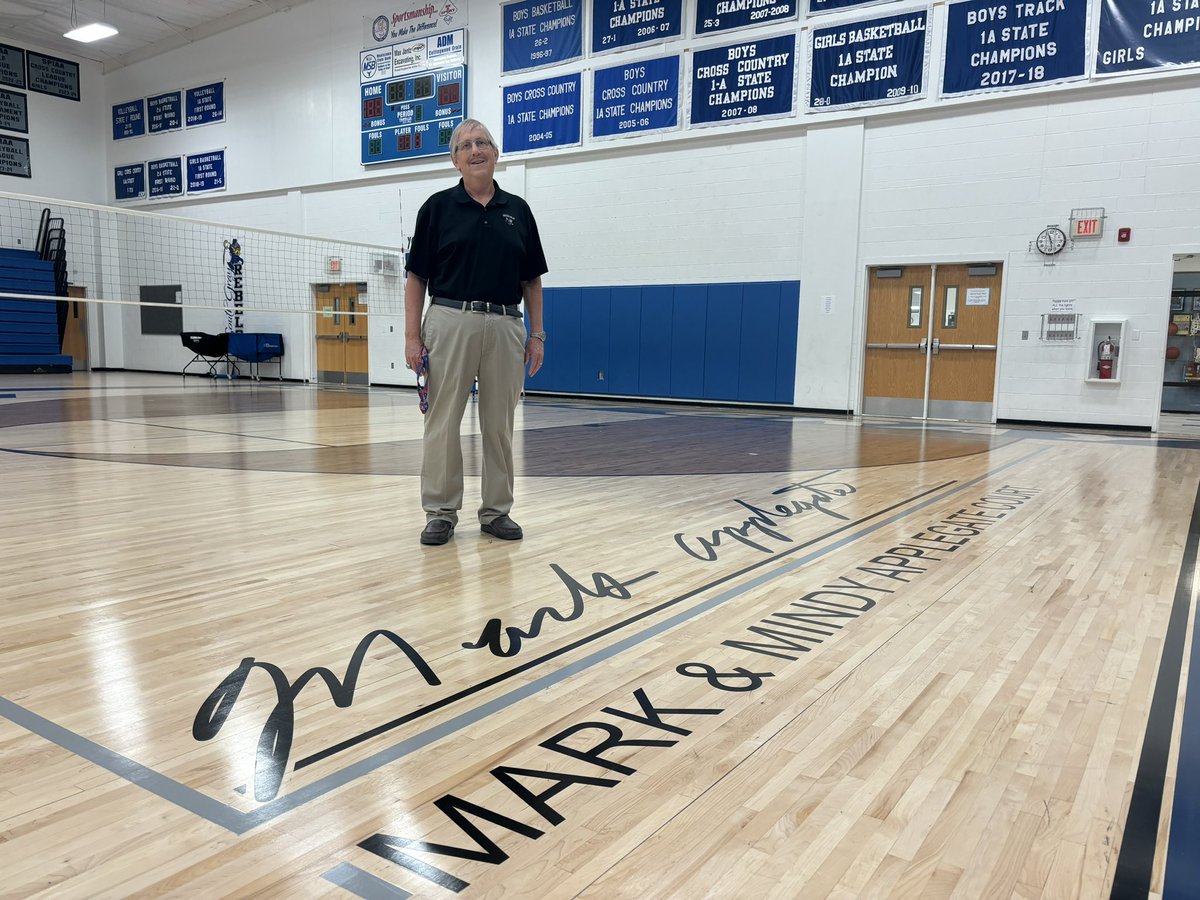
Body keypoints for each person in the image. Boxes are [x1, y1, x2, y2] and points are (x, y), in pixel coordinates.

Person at [404, 119, 548, 546]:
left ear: (495, 153)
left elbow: (532, 280)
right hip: (450, 320)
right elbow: (416, 278)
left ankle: (497, 511)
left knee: (499, 424)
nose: (475, 150)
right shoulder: (436, 208)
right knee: (442, 422)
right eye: (465, 145)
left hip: (506, 324)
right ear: (455, 160)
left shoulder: (518, 211)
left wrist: (537, 334)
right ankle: (440, 511)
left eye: (482, 142)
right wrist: (412, 338)